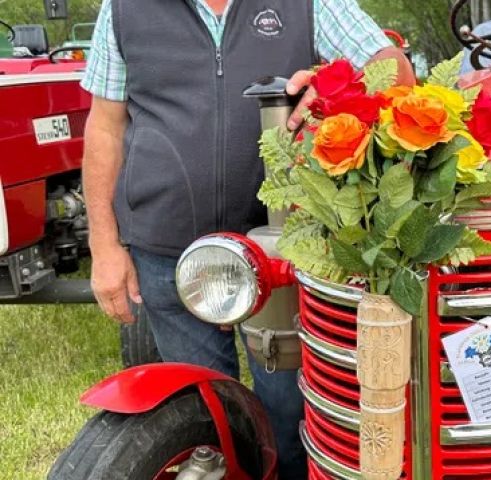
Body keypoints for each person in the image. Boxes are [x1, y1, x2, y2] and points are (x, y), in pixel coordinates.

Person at [81, 0, 415, 476]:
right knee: (202, 418)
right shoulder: (122, 8)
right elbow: (105, 126)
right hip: (170, 254)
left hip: (283, 250)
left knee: (291, 415)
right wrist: (104, 245)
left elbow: (396, 71)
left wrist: (336, 88)